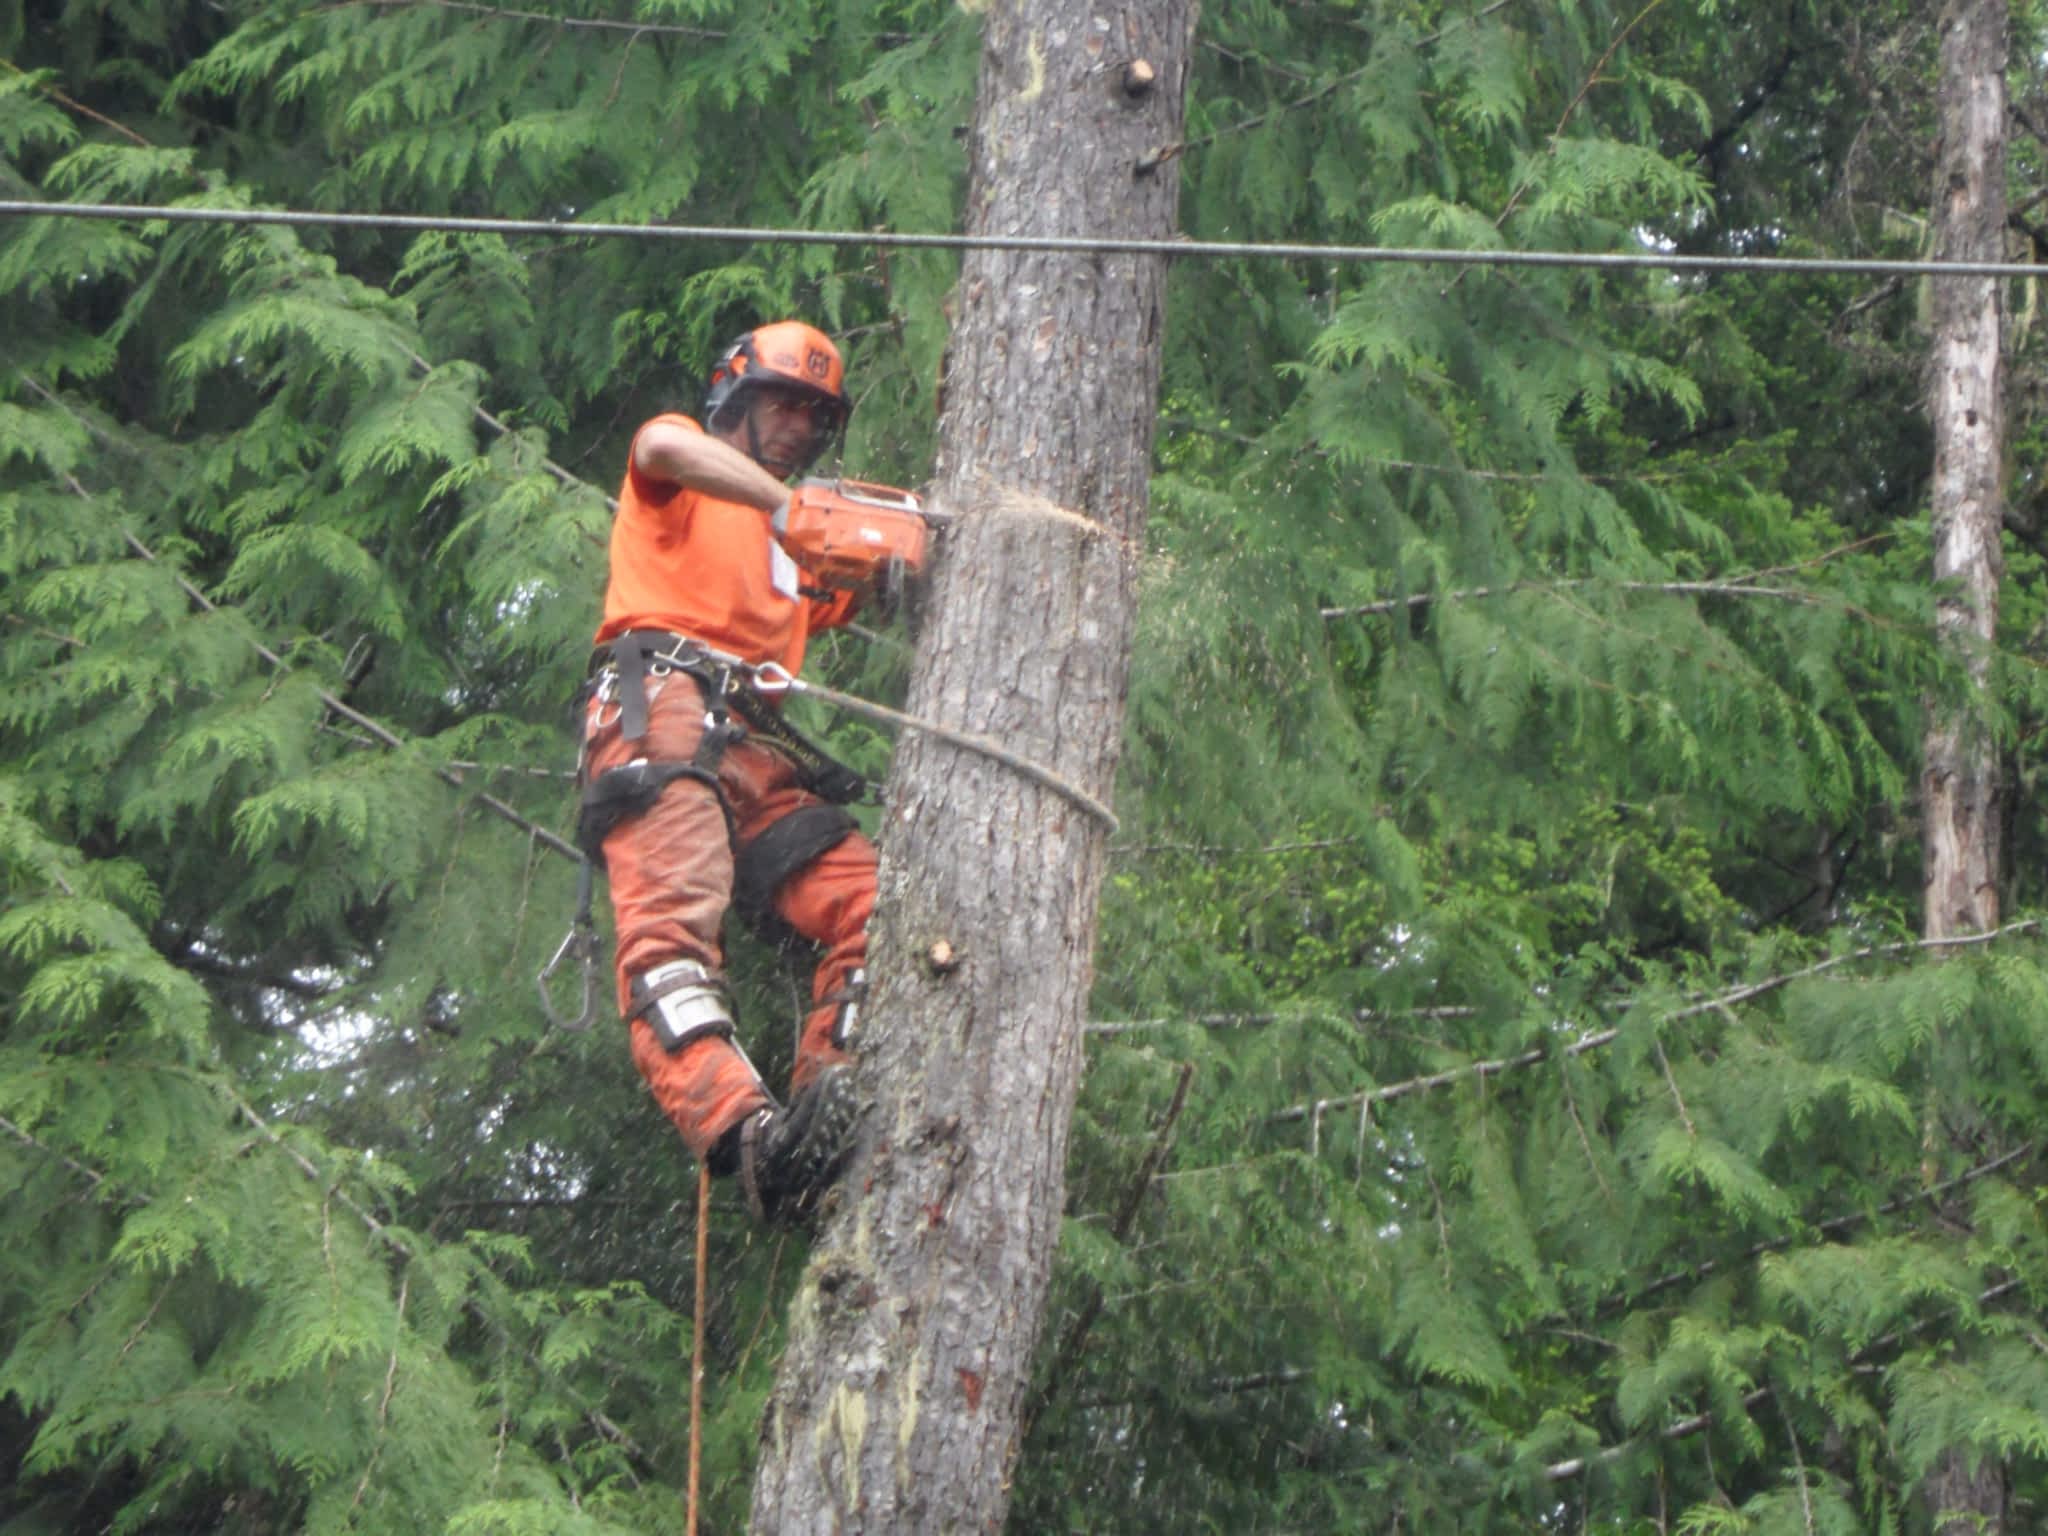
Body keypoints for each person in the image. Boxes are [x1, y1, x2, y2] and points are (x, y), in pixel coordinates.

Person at [578, 321, 876, 1224]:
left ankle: (839, 1095)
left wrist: (892, 549)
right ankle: (744, 1136)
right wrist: (787, 509)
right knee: (671, 941)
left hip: (754, 745)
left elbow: (872, 575)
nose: (797, 426)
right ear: (735, 400)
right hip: (659, 703)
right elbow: (662, 444)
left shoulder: (797, 559)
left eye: (814, 415)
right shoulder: (685, 475)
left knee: (876, 907)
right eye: (782, 403)